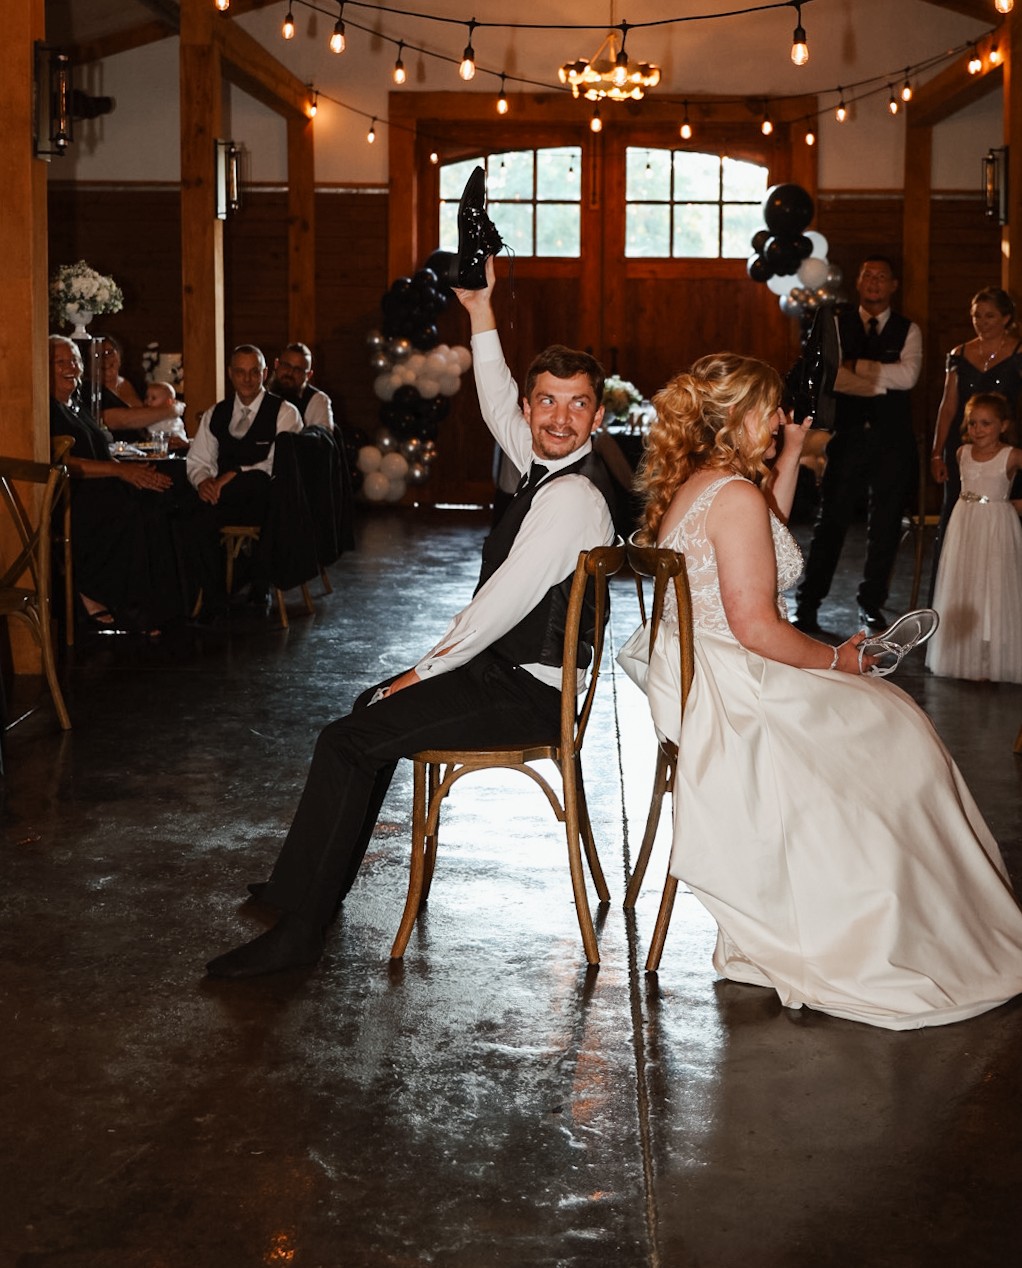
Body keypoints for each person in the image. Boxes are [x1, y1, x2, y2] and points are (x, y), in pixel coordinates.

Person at [206, 256, 618, 979]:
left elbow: (494, 610)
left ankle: (301, 932)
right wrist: (480, 311)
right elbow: (495, 400)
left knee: (348, 739)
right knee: (363, 714)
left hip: (530, 691)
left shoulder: (572, 498)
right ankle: (301, 886)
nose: (559, 417)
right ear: (531, 410)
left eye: (576, 404)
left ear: (598, 416)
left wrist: (419, 674)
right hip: (508, 674)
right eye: (546, 402)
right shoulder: (551, 463)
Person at [618, 352, 1022, 1030]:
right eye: (769, 412)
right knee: (894, 723)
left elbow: (767, 537)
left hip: (709, 672)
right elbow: (757, 626)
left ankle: (894, 895)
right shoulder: (732, 496)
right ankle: (884, 919)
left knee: (885, 712)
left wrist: (790, 451)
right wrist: (836, 661)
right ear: (737, 417)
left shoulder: (708, 485)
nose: (778, 420)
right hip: (736, 684)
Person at [795, 255, 921, 634]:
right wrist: (881, 381)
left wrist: (860, 370)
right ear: (858, 281)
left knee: (885, 527)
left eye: (882, 276)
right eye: (868, 275)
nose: (874, 282)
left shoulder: (909, 329)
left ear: (893, 285)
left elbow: (909, 377)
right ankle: (808, 604)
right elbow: (830, 377)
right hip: (847, 438)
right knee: (830, 523)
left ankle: (871, 604)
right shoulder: (837, 324)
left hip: (893, 442)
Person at [49, 335, 190, 632]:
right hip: (73, 495)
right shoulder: (46, 410)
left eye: (74, 360)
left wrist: (133, 468)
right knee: (131, 508)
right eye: (60, 361)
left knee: (162, 497)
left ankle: (167, 606)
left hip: (104, 482)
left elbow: (99, 450)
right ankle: (112, 600)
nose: (70, 367)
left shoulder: (78, 404)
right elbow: (62, 462)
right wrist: (120, 471)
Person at [930, 287, 1022, 548]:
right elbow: (948, 406)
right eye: (977, 316)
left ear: (1006, 318)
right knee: (956, 507)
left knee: (999, 508)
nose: (982, 322)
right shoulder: (958, 354)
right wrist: (937, 453)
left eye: (990, 316)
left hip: (1002, 444)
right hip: (963, 442)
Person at [927, 393, 1022, 683]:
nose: (978, 429)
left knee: (993, 584)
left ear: (1003, 425)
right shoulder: (961, 453)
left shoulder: (1011, 455)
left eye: (986, 423)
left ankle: (992, 656)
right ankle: (964, 654)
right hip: (965, 523)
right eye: (972, 423)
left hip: (997, 525)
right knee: (966, 583)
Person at [187, 346, 303, 520]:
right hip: (219, 496)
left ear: (264, 374)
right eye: (240, 372)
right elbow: (198, 459)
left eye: (254, 372)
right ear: (230, 373)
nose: (247, 379)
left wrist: (237, 472)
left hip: (264, 499)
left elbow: (278, 463)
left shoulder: (285, 413)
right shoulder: (215, 413)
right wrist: (203, 481)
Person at [271, 343, 335, 431]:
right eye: (286, 365)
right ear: (276, 364)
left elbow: (322, 436)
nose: (290, 373)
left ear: (308, 375)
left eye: (297, 370)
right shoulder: (264, 392)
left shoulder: (317, 400)